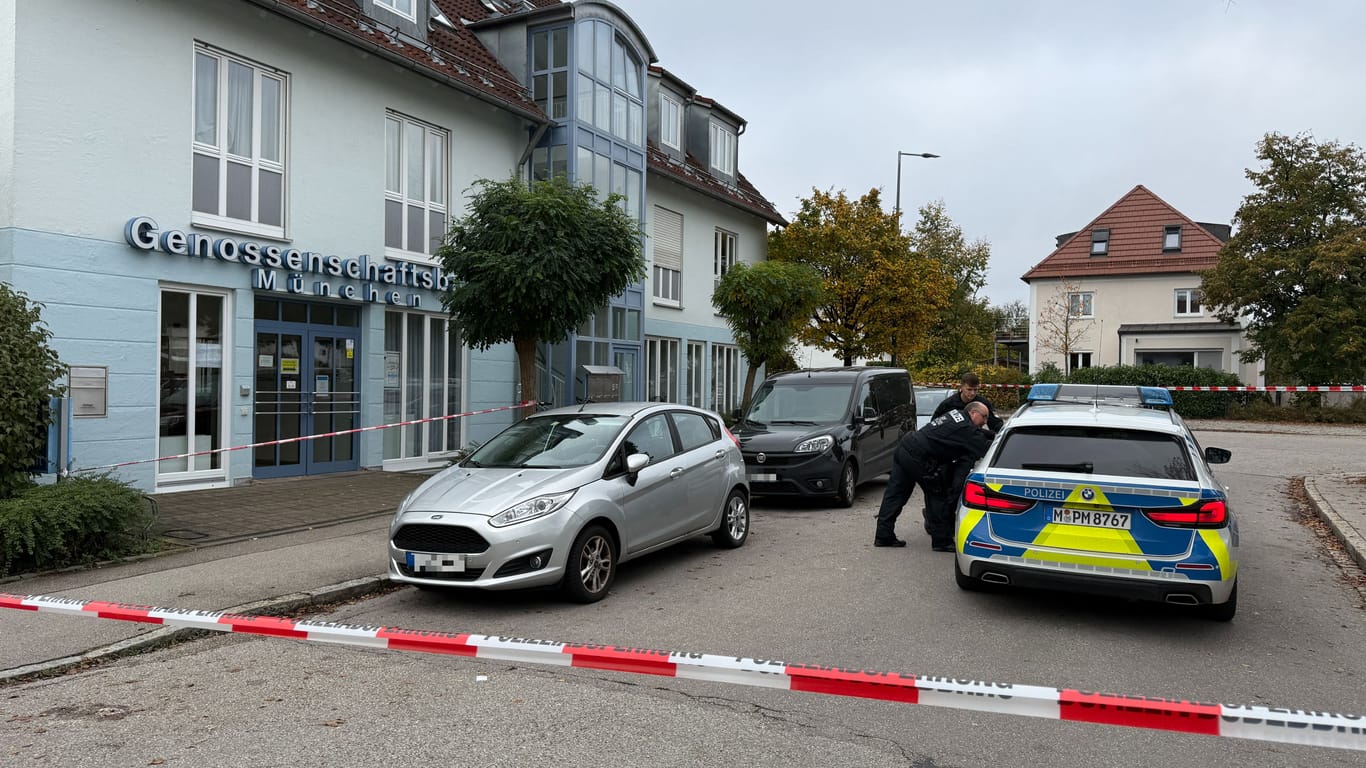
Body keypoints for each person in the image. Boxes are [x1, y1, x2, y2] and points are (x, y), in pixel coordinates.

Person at [874, 401, 991, 550]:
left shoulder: (956, 415)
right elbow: (984, 448)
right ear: (973, 413)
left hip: (906, 447)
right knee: (937, 495)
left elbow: (977, 434)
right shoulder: (965, 428)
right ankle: (942, 541)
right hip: (920, 457)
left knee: (896, 493)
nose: (985, 422)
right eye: (984, 417)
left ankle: (883, 535)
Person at [931, 372, 1005, 433]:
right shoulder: (948, 404)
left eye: (975, 390)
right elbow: (934, 424)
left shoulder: (983, 404)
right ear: (961, 387)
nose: (972, 393)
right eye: (969, 389)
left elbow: (996, 424)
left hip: (974, 439)